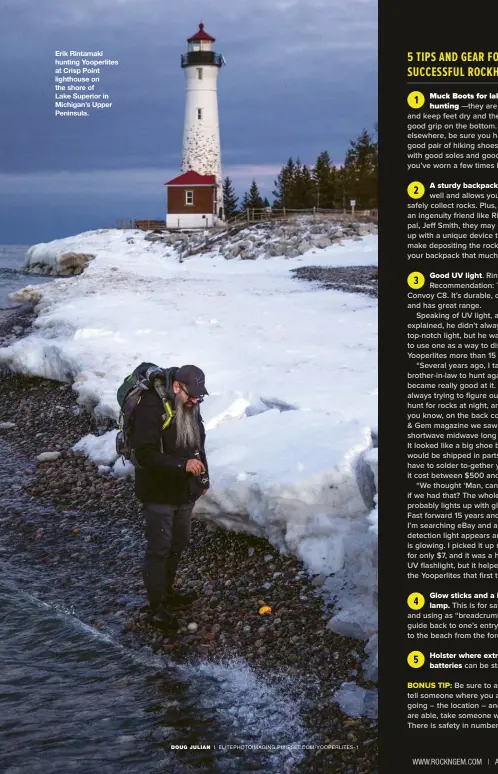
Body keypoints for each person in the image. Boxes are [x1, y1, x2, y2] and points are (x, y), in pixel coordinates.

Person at [132, 364, 209, 632]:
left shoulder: (189, 404)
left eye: (200, 396)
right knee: (160, 547)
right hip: (158, 491)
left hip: (184, 490)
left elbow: (198, 443)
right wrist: (182, 465)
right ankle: (157, 607)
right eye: (193, 395)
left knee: (180, 541)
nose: (196, 400)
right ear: (177, 387)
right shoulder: (151, 408)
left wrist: (203, 478)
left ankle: (168, 591)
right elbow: (145, 454)